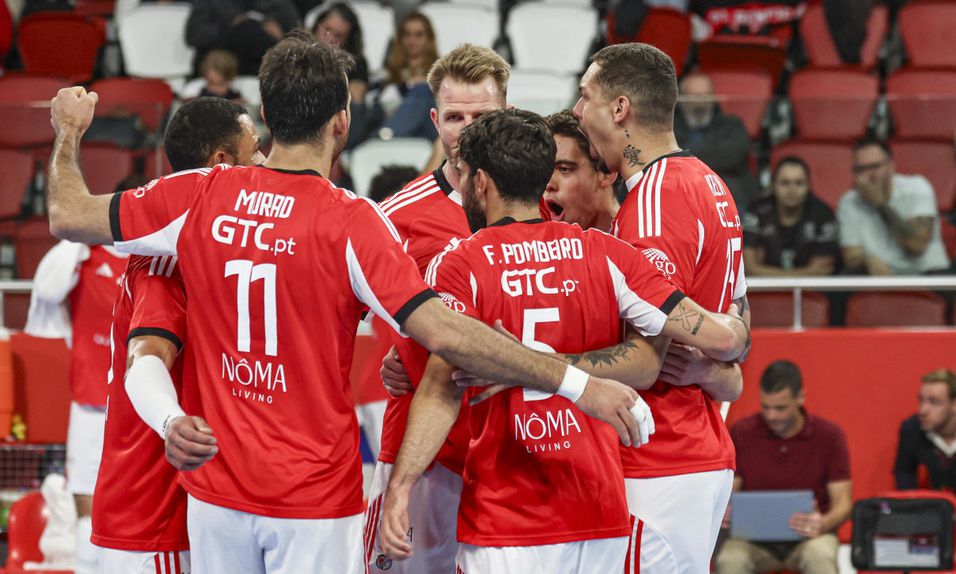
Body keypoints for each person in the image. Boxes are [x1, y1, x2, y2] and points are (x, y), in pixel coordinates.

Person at [46, 33, 643, 573]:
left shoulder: (198, 194)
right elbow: (445, 332)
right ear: (342, 120)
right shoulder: (352, 221)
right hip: (312, 497)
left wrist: (69, 132)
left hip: (217, 493)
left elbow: (68, 213)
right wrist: (578, 384)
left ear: (267, 115)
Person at [379, 109, 750, 573]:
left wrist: (401, 487)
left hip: (507, 516)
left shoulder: (460, 265)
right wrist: (735, 332)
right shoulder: (607, 254)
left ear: (481, 183)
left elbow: (440, 387)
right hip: (597, 513)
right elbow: (716, 336)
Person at [573, 42, 750, 572]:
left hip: (658, 456)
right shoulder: (710, 183)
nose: (577, 111)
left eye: (585, 96)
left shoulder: (653, 201)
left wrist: (524, 364)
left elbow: (648, 357)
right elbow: (739, 317)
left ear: (619, 108)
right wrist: (724, 361)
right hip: (696, 451)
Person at [91, 97, 261, 574]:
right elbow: (145, 357)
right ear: (222, 163)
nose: (265, 162)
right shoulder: (171, 256)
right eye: (256, 150)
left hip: (173, 515)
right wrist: (171, 421)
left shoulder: (207, 246)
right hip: (157, 516)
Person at [367, 43, 510, 574]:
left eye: (482, 116)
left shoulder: (546, 207)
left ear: (508, 114)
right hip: (422, 452)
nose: (468, 132)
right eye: (455, 118)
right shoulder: (392, 218)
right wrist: (397, 352)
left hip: (516, 447)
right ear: (434, 121)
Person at [24, 239, 127, 574]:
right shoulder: (83, 256)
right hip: (91, 400)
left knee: (141, 497)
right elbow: (48, 290)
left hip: (141, 405)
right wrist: (76, 239)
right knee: (85, 495)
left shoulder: (155, 254)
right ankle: (87, 568)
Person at [717, 360, 852, 574]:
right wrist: (724, 508)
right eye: (766, 407)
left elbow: (843, 504)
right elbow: (730, 490)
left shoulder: (829, 436)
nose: (772, 416)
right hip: (752, 541)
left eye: (780, 408)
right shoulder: (743, 433)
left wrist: (823, 523)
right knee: (730, 560)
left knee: (820, 556)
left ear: (800, 397)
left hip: (810, 538)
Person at [838, 138, 949, 275]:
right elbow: (852, 257)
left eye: (875, 167)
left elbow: (916, 245)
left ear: (891, 166)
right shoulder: (849, 201)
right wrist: (866, 262)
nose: (868, 175)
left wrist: (879, 204)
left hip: (928, 273)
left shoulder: (917, 187)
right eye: (861, 169)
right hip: (879, 276)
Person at [674, 71, 759, 211]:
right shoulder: (668, 129)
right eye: (694, 96)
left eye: (705, 96)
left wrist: (687, 157)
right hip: (681, 198)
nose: (700, 102)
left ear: (714, 97)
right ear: (680, 99)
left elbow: (733, 155)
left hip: (730, 198)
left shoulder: (732, 125)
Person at [743, 156, 839, 276]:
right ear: (773, 185)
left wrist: (763, 271)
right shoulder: (756, 211)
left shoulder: (823, 214)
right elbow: (748, 268)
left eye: (799, 183)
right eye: (785, 183)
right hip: (763, 288)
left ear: (809, 186)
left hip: (810, 288)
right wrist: (807, 272)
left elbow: (822, 271)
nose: (792, 189)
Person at [542, 109, 619, 231]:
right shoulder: (531, 239)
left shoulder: (641, 235)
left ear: (606, 173)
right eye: (543, 171)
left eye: (564, 169)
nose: (548, 185)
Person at [311, 2, 371, 148]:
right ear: (317, 26)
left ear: (348, 39)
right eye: (327, 30)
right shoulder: (297, 54)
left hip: (337, 119)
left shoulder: (356, 62)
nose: (330, 38)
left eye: (338, 35)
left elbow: (355, 101)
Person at [184, 0, 299, 76]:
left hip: (265, 66)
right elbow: (194, 35)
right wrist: (231, 26)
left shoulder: (278, 4)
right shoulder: (210, 3)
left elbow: (297, 40)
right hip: (223, 64)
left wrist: (280, 36)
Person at [372, 11, 439, 140]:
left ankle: (382, 137)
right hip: (391, 126)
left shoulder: (440, 72)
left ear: (429, 39)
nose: (412, 40)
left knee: (422, 90)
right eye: (407, 34)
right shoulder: (388, 73)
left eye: (418, 35)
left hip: (426, 133)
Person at [894, 368, 956, 491]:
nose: (922, 410)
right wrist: (914, 501)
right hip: (937, 501)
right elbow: (904, 472)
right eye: (921, 400)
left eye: (934, 402)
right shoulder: (912, 429)